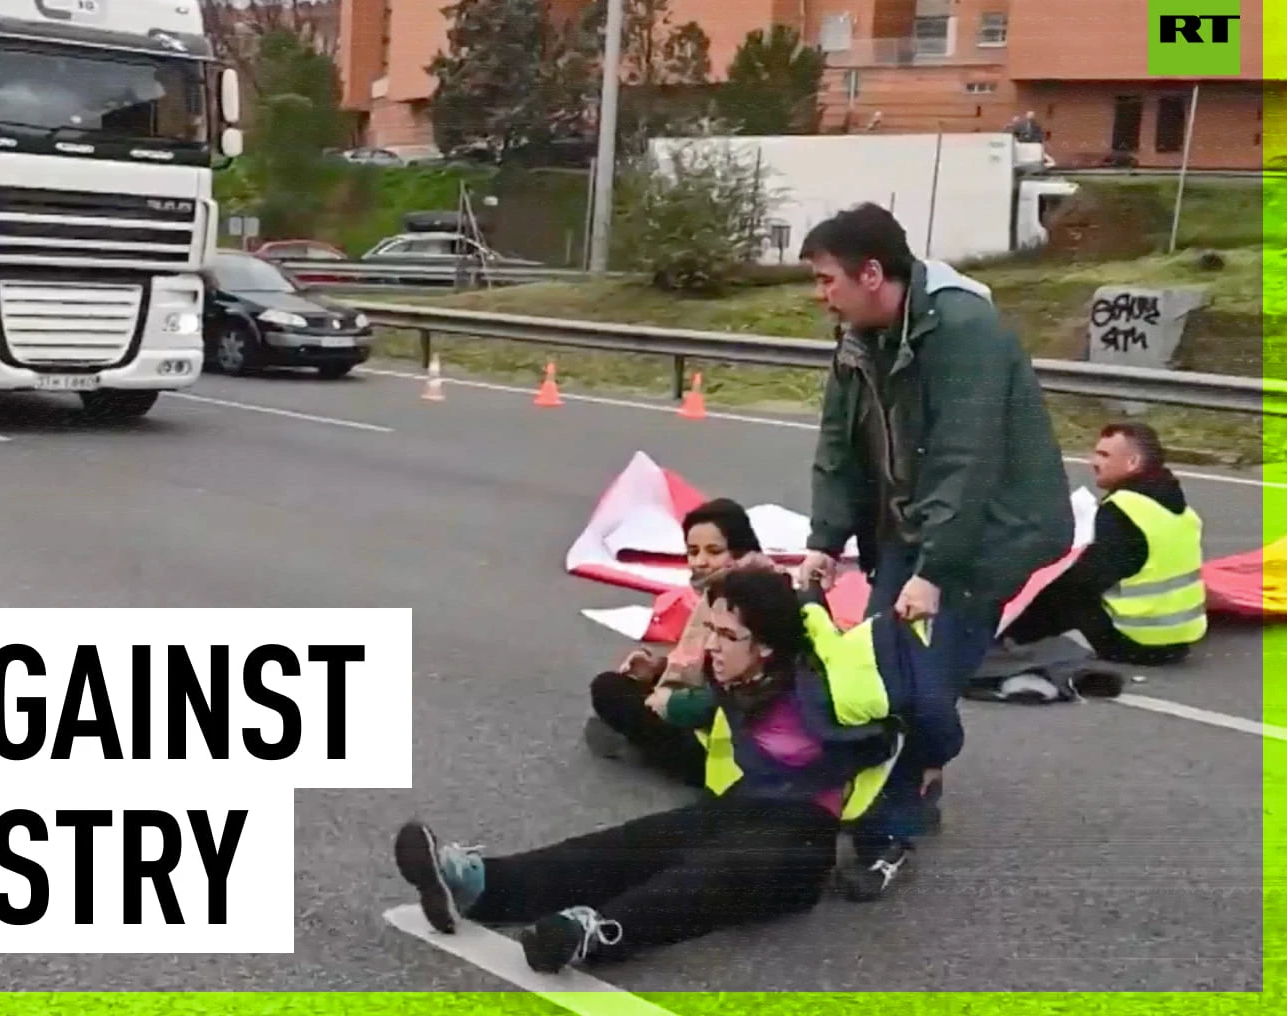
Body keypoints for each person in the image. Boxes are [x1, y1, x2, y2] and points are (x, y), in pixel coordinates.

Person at [393, 568, 916, 974]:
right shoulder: (737, 683)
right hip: (743, 805)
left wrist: (810, 610)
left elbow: (895, 713)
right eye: (710, 629)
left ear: (766, 646)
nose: (711, 644)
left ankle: (601, 933)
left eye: (726, 635)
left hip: (804, 842)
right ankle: (483, 886)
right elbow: (684, 708)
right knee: (635, 842)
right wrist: (650, 681)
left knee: (715, 872)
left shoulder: (827, 691)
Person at [793, 203, 1073, 902]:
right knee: (890, 676)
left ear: (872, 273)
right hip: (908, 531)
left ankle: (890, 834)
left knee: (913, 684)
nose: (819, 293)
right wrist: (825, 541)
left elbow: (964, 461)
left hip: (984, 538)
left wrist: (935, 573)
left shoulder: (964, 332)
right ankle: (917, 781)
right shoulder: (859, 337)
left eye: (827, 279)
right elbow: (839, 444)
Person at [584, 498, 773, 773]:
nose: (700, 562)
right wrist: (658, 668)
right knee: (620, 686)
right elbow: (707, 664)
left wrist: (673, 705)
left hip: (735, 736)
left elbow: (745, 690)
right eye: (693, 551)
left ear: (740, 548)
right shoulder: (730, 587)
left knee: (608, 691)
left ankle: (643, 742)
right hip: (720, 707)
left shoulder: (753, 597)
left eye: (713, 551)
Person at [1001, 423, 1205, 666]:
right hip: (1178, 640)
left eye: (1104, 455)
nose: (1093, 461)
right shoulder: (1182, 512)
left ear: (1133, 463)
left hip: (1133, 641)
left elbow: (1084, 580)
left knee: (1052, 587)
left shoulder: (1124, 513)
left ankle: (1002, 636)